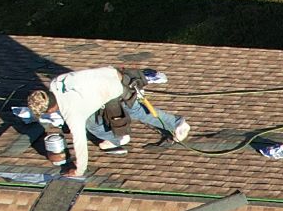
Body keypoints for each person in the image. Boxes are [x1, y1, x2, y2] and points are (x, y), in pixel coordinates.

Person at [11, 65, 187, 176]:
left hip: (119, 90)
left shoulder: (72, 113)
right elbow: (84, 76)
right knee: (124, 111)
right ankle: (176, 123)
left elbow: (80, 144)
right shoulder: (57, 83)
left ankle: (118, 138)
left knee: (135, 112)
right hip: (114, 74)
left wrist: (78, 171)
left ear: (49, 109)